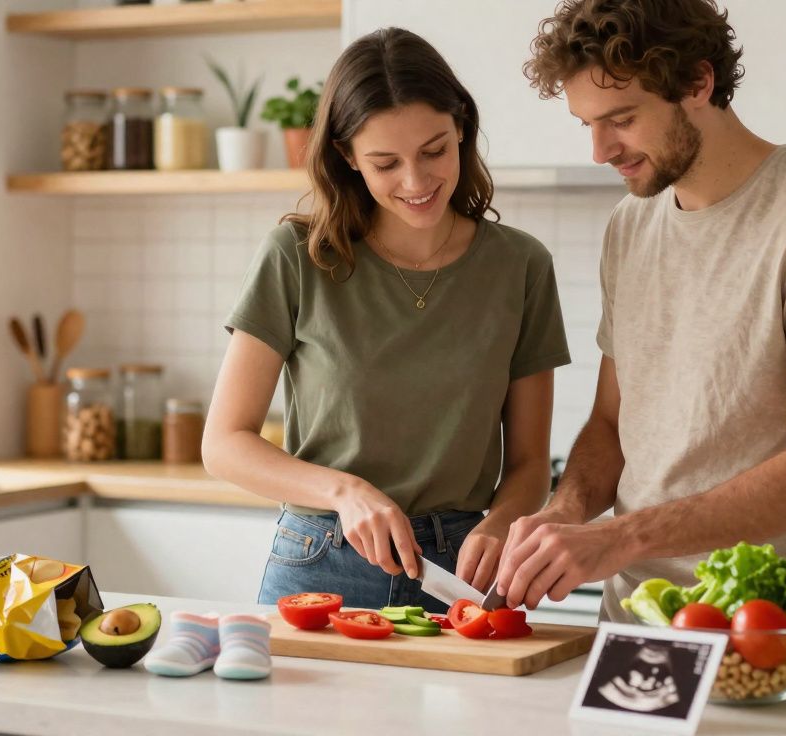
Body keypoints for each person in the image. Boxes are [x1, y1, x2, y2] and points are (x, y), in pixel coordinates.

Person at [494, 0, 786, 621]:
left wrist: (620, 537)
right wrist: (564, 511)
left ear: (698, 83)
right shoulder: (631, 223)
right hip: (634, 619)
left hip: (768, 628)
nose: (601, 150)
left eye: (621, 118)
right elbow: (610, 423)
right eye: (587, 125)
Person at [203, 28, 572, 611]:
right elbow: (224, 443)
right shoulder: (297, 257)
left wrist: (502, 521)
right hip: (321, 559)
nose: (417, 182)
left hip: (463, 570)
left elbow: (528, 462)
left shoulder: (520, 266)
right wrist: (343, 491)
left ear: (462, 133)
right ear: (348, 157)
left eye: (435, 151)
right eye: (386, 163)